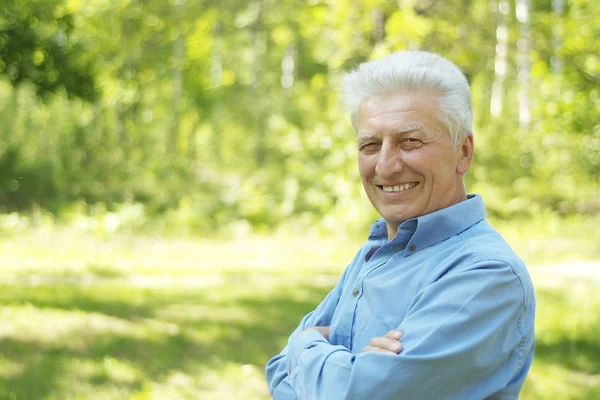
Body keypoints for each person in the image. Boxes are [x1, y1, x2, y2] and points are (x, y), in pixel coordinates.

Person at [265, 51, 535, 400]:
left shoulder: (485, 273)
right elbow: (276, 371)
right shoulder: (378, 251)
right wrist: (343, 368)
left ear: (463, 152)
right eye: (370, 145)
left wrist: (305, 345)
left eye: (411, 141)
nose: (386, 166)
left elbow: (357, 395)